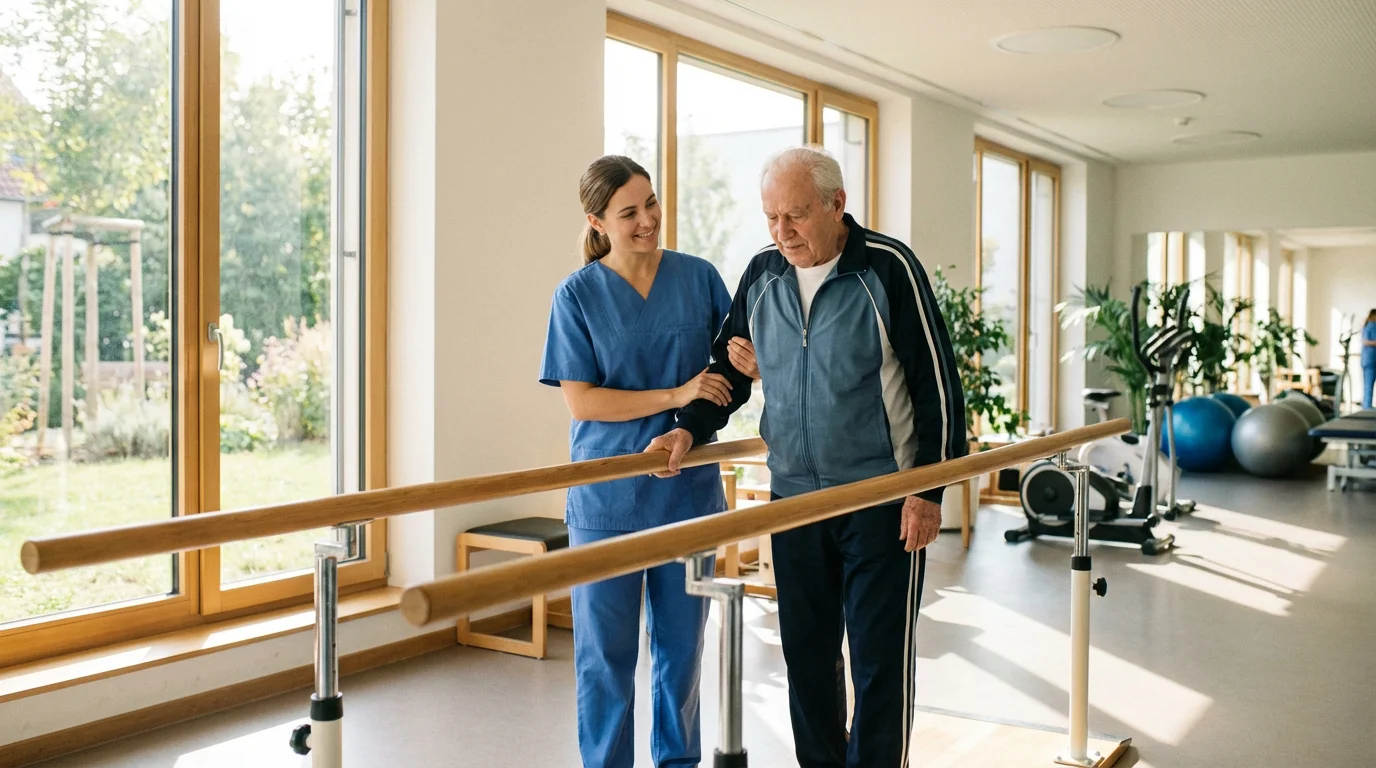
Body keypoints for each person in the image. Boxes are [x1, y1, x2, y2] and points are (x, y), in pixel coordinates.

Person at [646, 146, 967, 768]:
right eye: (770, 217)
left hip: (880, 498)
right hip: (794, 500)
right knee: (807, 659)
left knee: (879, 664)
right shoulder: (763, 275)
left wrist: (928, 492)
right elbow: (727, 374)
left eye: (794, 216)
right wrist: (688, 430)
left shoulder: (888, 269)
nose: (781, 232)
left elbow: (937, 387)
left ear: (837, 205)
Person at [539, 155, 735, 768]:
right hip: (607, 503)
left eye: (651, 203)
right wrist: (677, 396)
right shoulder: (576, 295)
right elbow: (583, 401)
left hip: (687, 494)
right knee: (606, 660)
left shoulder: (699, 277)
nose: (648, 219)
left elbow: (732, 366)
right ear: (597, 221)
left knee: (682, 655)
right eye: (629, 212)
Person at [1361, 308, 1376, 409]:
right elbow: (1365, 341)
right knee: (1368, 385)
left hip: (1371, 360)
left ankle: (1368, 407)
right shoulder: (1370, 326)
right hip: (1370, 361)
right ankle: (1367, 408)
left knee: (1369, 385)